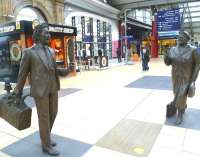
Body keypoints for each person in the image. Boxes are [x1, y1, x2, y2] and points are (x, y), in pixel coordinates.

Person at [13, 23, 74, 156]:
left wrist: (67, 70)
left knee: (53, 113)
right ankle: (46, 145)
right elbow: (22, 74)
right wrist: (17, 90)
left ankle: (46, 137)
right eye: (46, 33)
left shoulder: (51, 51)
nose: (49, 35)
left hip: (53, 87)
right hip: (40, 91)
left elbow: (54, 70)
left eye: (49, 33)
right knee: (44, 118)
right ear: (38, 35)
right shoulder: (29, 52)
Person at [164, 31, 200, 125]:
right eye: (179, 36)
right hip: (175, 76)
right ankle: (183, 106)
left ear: (187, 39)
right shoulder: (173, 49)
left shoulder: (193, 50)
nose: (180, 38)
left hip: (187, 77)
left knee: (181, 95)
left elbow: (197, 66)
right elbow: (168, 63)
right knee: (177, 93)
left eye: (182, 37)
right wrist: (166, 56)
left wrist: (193, 80)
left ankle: (179, 114)